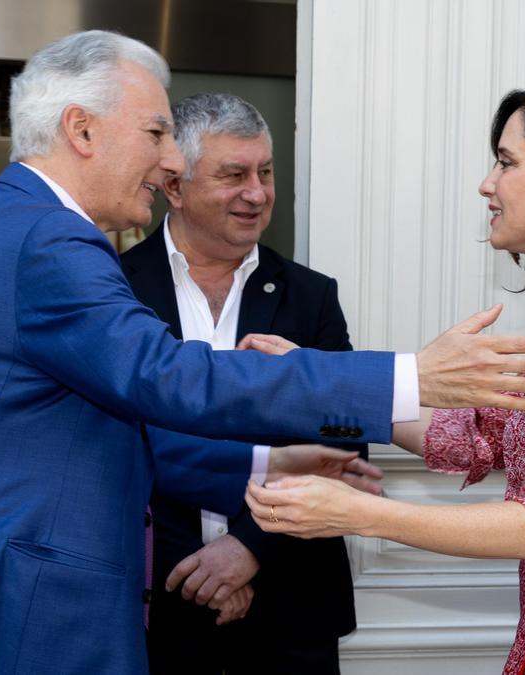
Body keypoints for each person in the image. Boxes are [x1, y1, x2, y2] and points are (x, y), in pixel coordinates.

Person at [0, 30, 525, 675]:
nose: (170, 159)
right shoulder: (48, 238)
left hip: (18, 593)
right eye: (157, 132)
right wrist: (412, 376)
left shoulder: (17, 220)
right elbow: (166, 376)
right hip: (15, 604)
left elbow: (103, 429)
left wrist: (268, 460)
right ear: (81, 130)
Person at [245, 86, 525, 674]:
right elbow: (472, 434)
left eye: (507, 163)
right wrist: (318, 382)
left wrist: (357, 514)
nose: (489, 184)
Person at [122, 93, 366, 673]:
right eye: (233, 175)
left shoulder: (310, 296)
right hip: (156, 606)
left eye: (265, 172)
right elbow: (112, 447)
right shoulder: (112, 290)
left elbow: (345, 442)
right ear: (174, 187)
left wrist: (248, 548)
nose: (257, 194)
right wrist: (202, 571)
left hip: (290, 608)